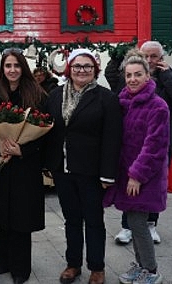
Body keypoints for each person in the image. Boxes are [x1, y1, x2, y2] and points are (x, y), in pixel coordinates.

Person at [45, 48, 122, 284]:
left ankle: (97, 267)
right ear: (69, 69)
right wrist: (49, 162)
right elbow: (49, 131)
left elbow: (112, 138)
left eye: (87, 67)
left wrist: (108, 174)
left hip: (91, 171)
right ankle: (73, 264)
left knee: (94, 219)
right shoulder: (56, 95)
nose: (82, 71)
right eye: (77, 66)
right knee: (72, 219)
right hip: (63, 169)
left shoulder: (106, 98)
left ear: (95, 70)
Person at [105, 40, 172, 244]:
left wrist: (168, 76)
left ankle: (151, 225)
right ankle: (127, 225)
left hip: (162, 142)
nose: (150, 60)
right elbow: (111, 75)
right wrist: (118, 52)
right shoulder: (130, 77)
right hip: (130, 142)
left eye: (154, 56)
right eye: (146, 56)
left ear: (161, 58)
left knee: (154, 185)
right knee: (129, 183)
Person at [0, 48, 47, 284]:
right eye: (8, 66)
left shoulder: (37, 94)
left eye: (16, 66)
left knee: (21, 217)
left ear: (23, 68)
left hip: (25, 165)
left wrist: (23, 150)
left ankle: (21, 268)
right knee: (3, 214)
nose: (12, 70)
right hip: (3, 163)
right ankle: (3, 261)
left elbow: (45, 132)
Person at [103, 50, 169, 284]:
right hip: (127, 176)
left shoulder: (157, 106)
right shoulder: (123, 103)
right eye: (129, 75)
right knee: (133, 221)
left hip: (144, 178)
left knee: (139, 224)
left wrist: (137, 175)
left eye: (138, 74)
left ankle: (150, 270)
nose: (132, 79)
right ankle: (141, 265)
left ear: (147, 76)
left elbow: (155, 145)